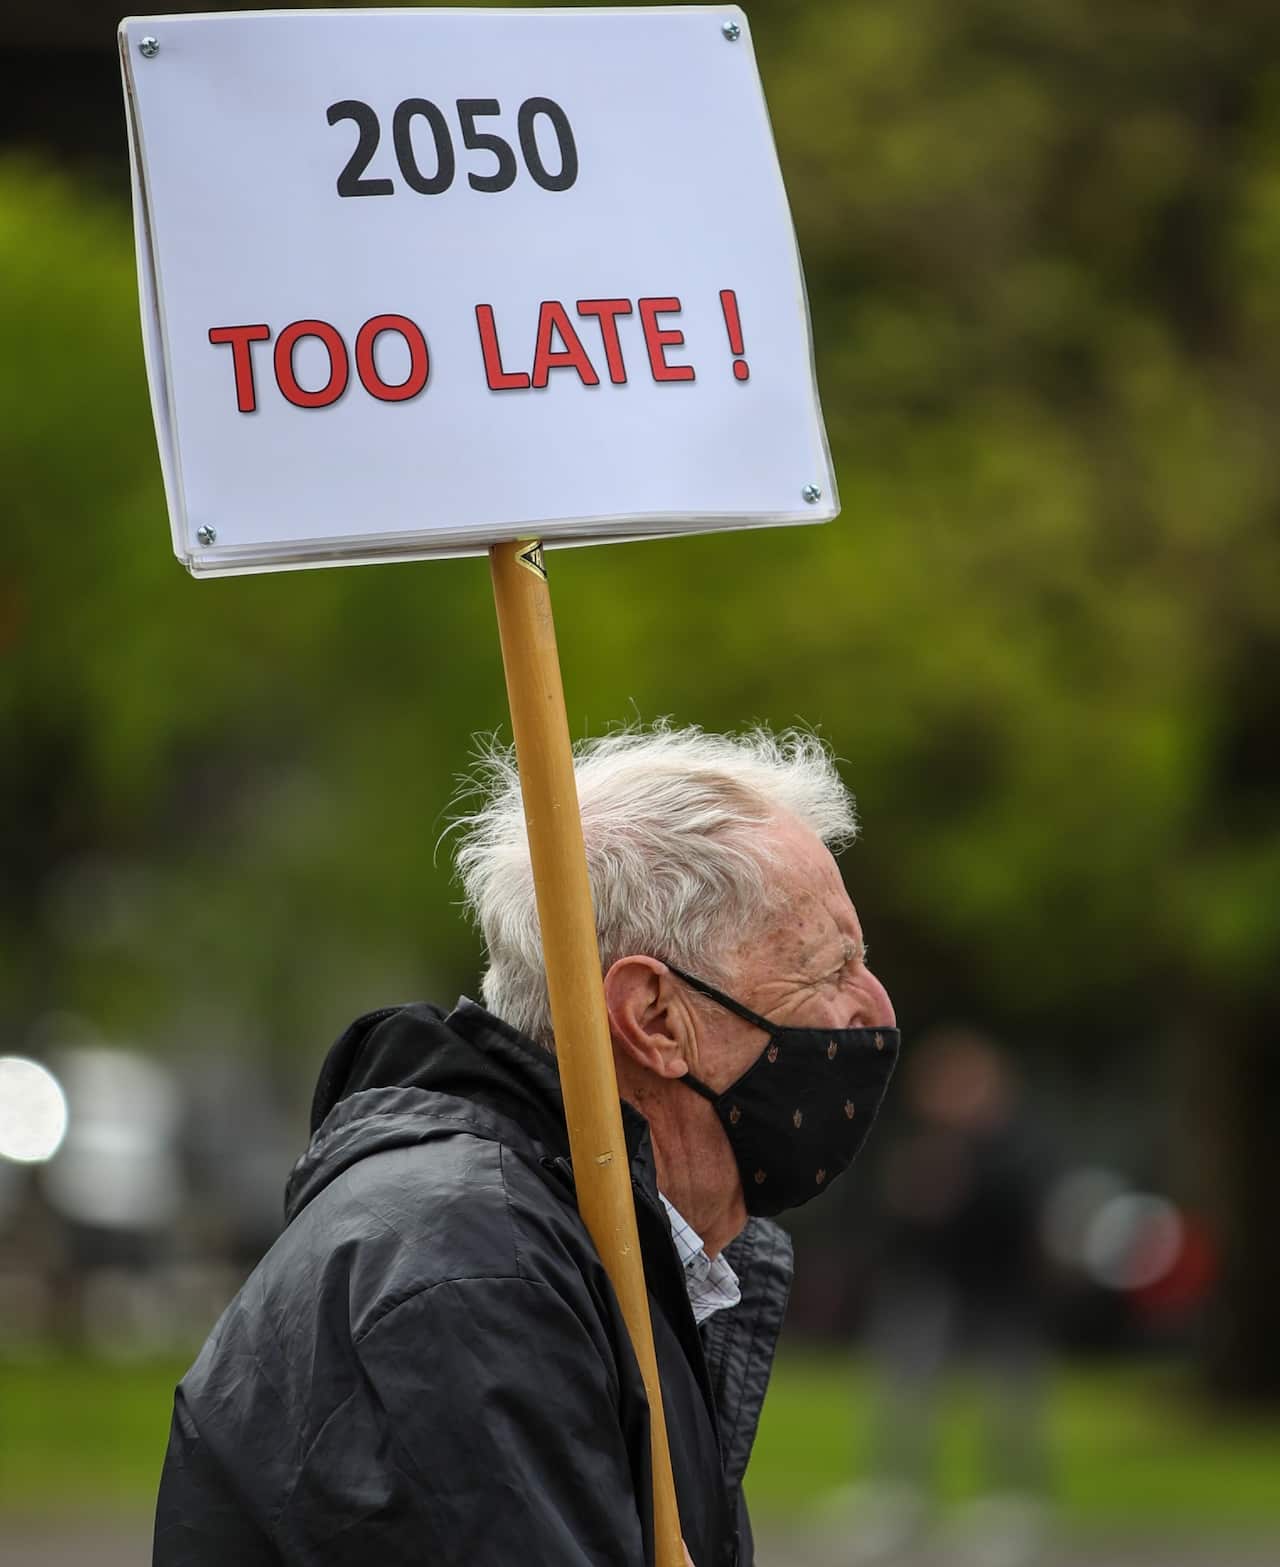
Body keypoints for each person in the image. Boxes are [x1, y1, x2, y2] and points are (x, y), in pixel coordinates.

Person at [153, 727, 900, 1566]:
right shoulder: (473, 1270)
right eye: (830, 969)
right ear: (655, 1016)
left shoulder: (591, 1247)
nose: (872, 1010)